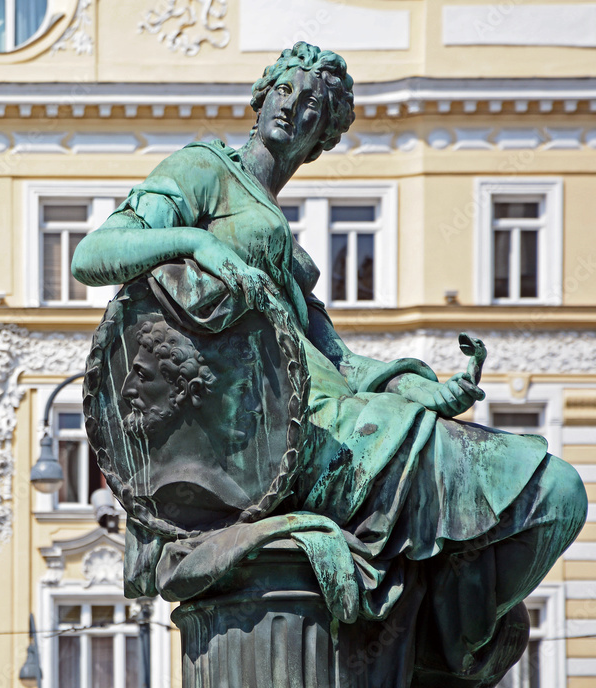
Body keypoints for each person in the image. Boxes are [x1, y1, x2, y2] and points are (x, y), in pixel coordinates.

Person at [72, 42, 586, 687]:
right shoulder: (204, 169)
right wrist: (197, 241)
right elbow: (94, 255)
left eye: (313, 104)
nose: (294, 106)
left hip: (332, 416)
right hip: (274, 439)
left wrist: (422, 388)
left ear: (325, 135)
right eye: (285, 89)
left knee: (555, 494)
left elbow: (335, 357)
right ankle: (443, 647)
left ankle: (443, 646)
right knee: (552, 491)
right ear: (262, 96)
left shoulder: (283, 248)